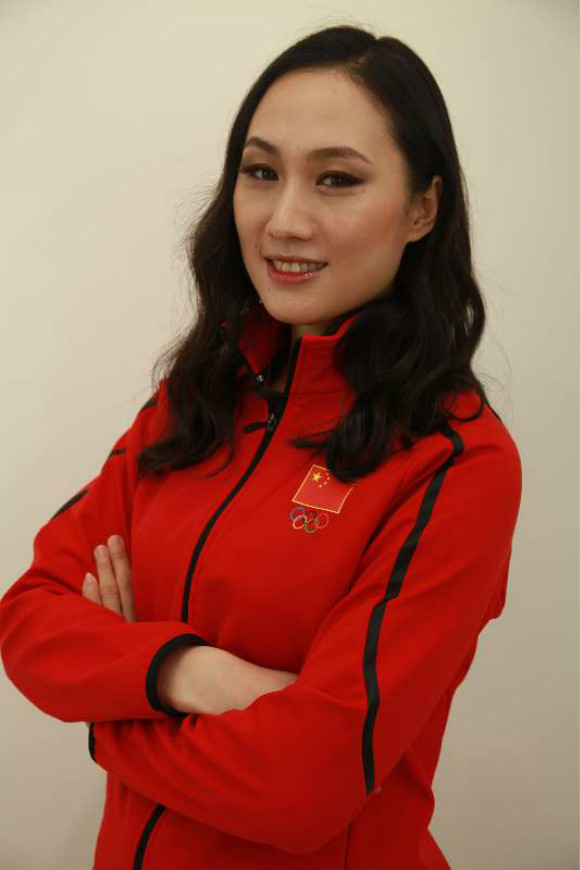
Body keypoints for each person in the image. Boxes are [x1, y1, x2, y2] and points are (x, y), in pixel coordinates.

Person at [0, 24, 522, 870]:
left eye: (338, 179)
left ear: (423, 208)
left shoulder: (455, 461)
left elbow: (301, 787)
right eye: (261, 172)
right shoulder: (198, 395)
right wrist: (192, 673)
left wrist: (108, 704)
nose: (284, 221)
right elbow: (28, 615)